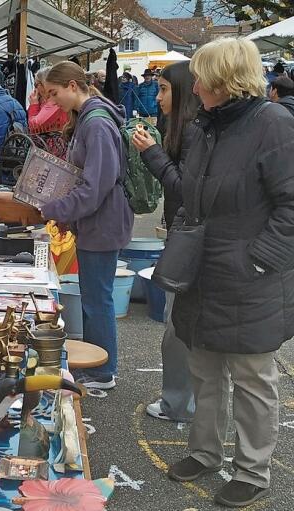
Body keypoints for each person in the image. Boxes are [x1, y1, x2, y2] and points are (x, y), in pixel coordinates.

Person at [165, 38, 294, 508]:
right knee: (204, 367)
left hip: (249, 277)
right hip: (204, 272)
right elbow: (191, 194)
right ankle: (204, 452)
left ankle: (252, 471)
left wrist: (259, 260)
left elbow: (291, 205)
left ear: (224, 80)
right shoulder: (207, 126)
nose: (194, 86)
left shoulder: (274, 125)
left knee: (252, 377)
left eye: (201, 77)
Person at [39, 61, 134, 391]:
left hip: (103, 222)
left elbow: (95, 187)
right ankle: (101, 366)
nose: (53, 102)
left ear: (73, 86)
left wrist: (54, 208)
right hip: (99, 220)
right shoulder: (89, 120)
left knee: (98, 299)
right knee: (96, 297)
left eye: (54, 93)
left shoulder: (95, 124)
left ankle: (103, 370)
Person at [130, 61, 201, 423]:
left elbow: (182, 188)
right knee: (180, 327)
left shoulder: (192, 130)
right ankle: (184, 403)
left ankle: (180, 405)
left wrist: (151, 153)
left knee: (178, 328)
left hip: (189, 239)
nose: (156, 98)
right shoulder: (184, 128)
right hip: (183, 233)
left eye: (163, 89)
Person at [27, 67, 68, 133]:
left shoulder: (54, 101)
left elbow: (34, 126)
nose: (35, 89)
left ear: (44, 83)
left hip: (54, 142)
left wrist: (34, 105)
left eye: (36, 85)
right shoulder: (49, 100)